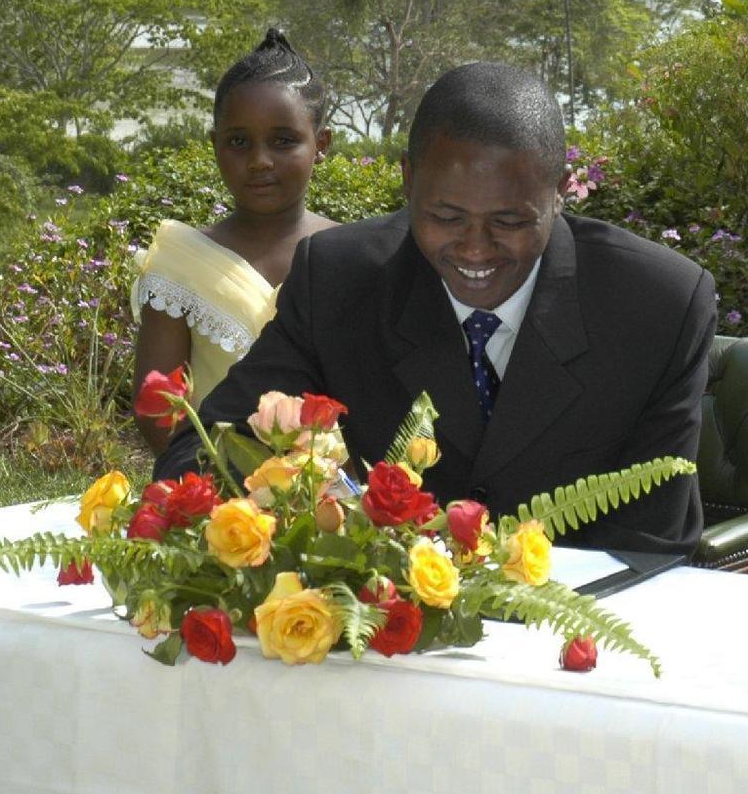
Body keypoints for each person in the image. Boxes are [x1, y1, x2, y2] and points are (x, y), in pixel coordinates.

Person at [154, 61, 716, 557]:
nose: (474, 249)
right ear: (407, 180)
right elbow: (211, 445)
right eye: (445, 217)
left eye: (510, 222)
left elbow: (651, 542)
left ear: (560, 191)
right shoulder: (337, 280)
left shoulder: (658, 305)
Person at [131, 29, 338, 451]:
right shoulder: (180, 263)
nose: (260, 161)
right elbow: (159, 413)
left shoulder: (350, 254)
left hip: (334, 498)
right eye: (238, 142)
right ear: (215, 146)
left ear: (321, 144)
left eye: (283, 141)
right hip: (211, 493)